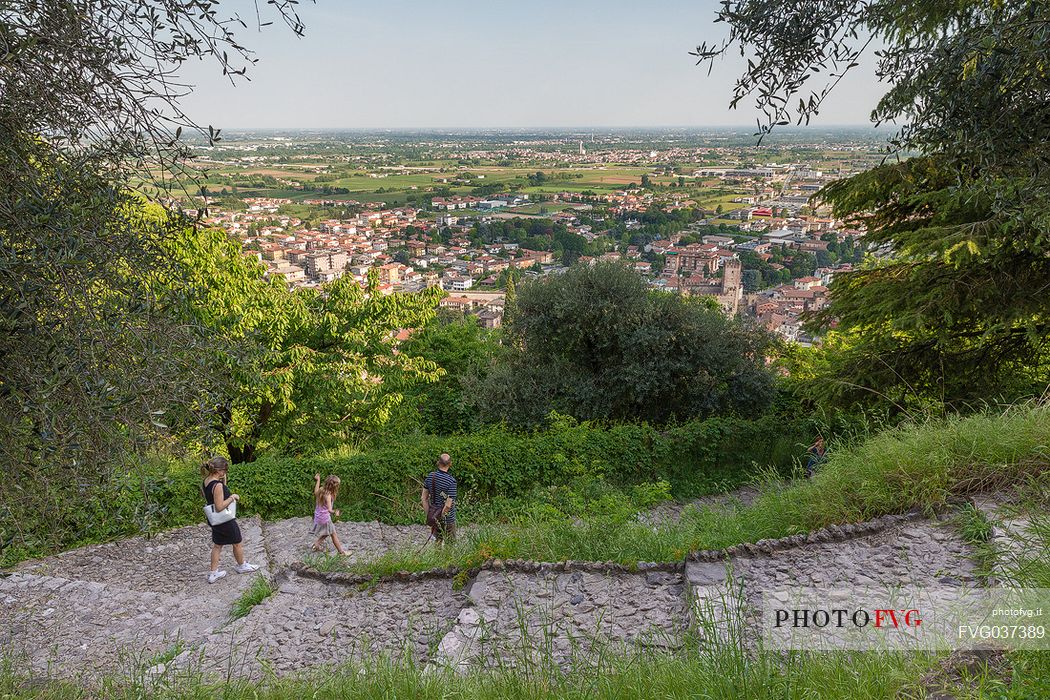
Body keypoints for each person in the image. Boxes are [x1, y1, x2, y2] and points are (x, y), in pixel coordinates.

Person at [201, 456, 259, 583]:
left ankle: (213, 573)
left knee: (217, 545)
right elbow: (219, 506)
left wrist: (223, 481)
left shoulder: (207, 480)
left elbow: (215, 495)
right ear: (219, 471)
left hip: (214, 519)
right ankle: (242, 565)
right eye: (225, 471)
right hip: (224, 519)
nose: (225, 473)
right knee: (237, 541)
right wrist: (232, 497)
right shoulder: (217, 486)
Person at [421, 453, 457, 544]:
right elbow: (448, 505)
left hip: (434, 515)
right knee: (450, 544)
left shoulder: (430, 476)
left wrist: (430, 515)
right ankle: (448, 558)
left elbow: (423, 498)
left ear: (438, 463)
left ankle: (438, 557)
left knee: (438, 542)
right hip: (448, 519)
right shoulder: (451, 481)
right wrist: (442, 517)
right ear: (450, 464)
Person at [311, 474, 347, 555]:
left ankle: (316, 544)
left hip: (318, 516)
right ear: (334, 486)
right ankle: (342, 552)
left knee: (328, 531)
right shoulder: (328, 495)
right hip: (324, 518)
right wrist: (336, 512)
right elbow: (330, 510)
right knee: (333, 534)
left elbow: (315, 492)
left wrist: (318, 480)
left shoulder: (321, 489)